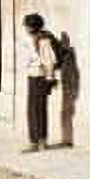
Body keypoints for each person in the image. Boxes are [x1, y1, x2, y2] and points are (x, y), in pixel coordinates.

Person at [22, 13, 59, 152]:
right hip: (32, 76)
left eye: (26, 25)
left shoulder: (43, 41)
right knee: (32, 110)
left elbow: (48, 60)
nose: (25, 28)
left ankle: (40, 141)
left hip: (40, 78)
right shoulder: (31, 39)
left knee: (38, 110)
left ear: (31, 27)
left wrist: (50, 78)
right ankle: (36, 140)